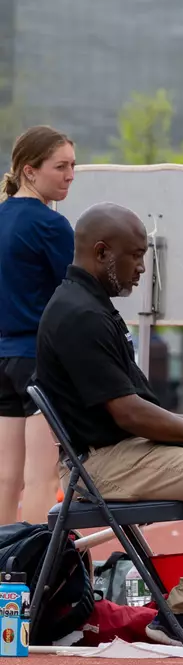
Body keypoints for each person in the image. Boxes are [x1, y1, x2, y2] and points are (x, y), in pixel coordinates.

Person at [33, 203, 183, 655]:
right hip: (102, 465)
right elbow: (129, 414)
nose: (141, 269)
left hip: (121, 452)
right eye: (135, 256)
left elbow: (138, 406)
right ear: (102, 252)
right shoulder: (79, 316)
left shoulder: (91, 306)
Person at [0, 127, 76, 526]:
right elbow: (75, 294)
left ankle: (3, 573)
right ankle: (30, 576)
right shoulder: (50, 225)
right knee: (41, 478)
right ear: (30, 171)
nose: (69, 175)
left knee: (5, 479)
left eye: (72, 166)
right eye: (60, 166)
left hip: (2, 358)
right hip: (37, 360)